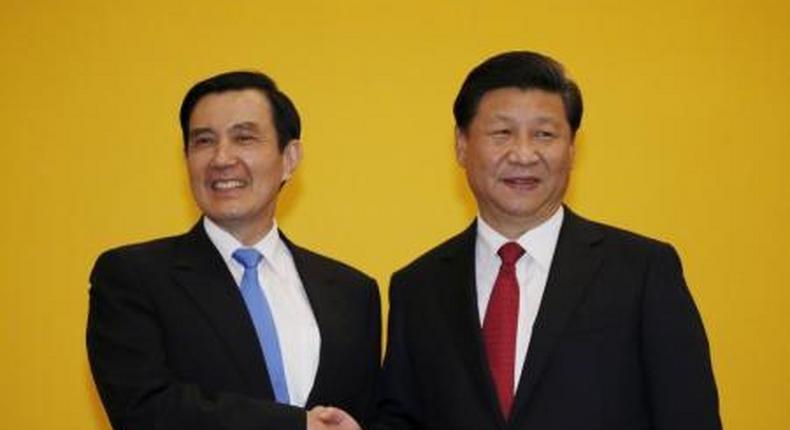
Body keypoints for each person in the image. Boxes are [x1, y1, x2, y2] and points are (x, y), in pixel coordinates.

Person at [374, 51, 721, 430]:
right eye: (502, 133)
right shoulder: (418, 286)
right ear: (461, 145)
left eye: (544, 134)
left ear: (572, 149)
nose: (524, 155)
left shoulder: (642, 271)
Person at [87, 71, 380, 430]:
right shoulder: (132, 277)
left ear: (289, 157)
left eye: (244, 138)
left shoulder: (352, 292)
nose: (221, 158)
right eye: (203, 142)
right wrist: (294, 426)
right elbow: (144, 409)